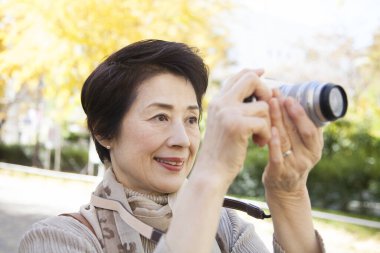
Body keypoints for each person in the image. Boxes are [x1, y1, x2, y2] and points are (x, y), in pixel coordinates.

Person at [19, 39, 325, 253]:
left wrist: (288, 191)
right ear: (103, 132)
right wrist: (211, 174)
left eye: (192, 120)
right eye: (160, 117)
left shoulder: (226, 228)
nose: (182, 139)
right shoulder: (61, 240)